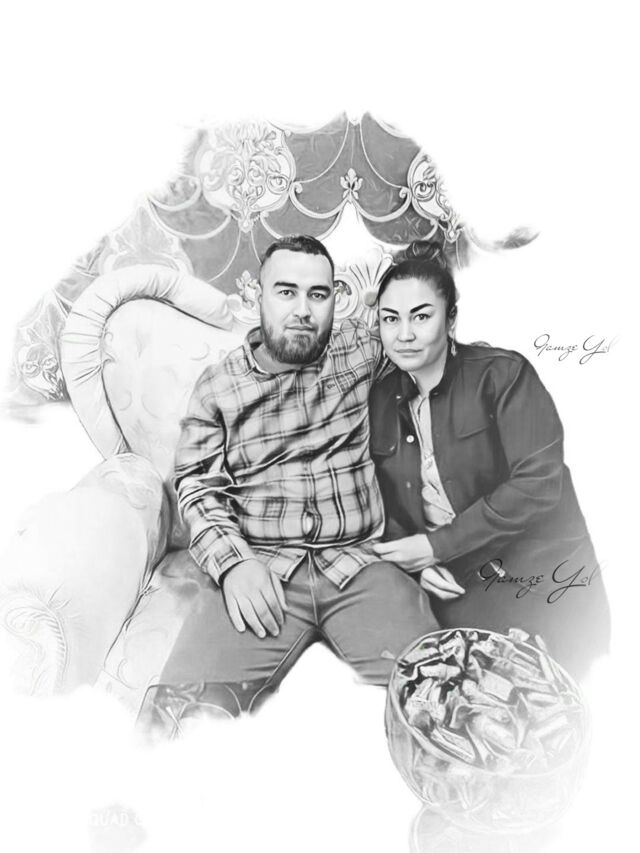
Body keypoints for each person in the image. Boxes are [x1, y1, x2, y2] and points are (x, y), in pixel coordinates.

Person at [138, 235, 438, 733]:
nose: (302, 310)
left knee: (436, 698)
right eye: (286, 292)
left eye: (317, 295)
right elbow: (196, 485)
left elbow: (425, 332)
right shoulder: (219, 386)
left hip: (359, 563)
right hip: (263, 566)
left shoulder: (361, 348)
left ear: (335, 300)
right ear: (258, 296)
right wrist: (233, 564)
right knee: (175, 721)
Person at [368, 241, 610, 679]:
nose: (404, 334)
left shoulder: (504, 374)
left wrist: (437, 546)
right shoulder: (379, 400)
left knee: (552, 686)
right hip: (453, 580)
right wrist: (417, 566)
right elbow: (381, 501)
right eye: (390, 319)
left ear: (451, 320)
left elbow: (538, 482)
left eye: (421, 316)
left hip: (538, 572)